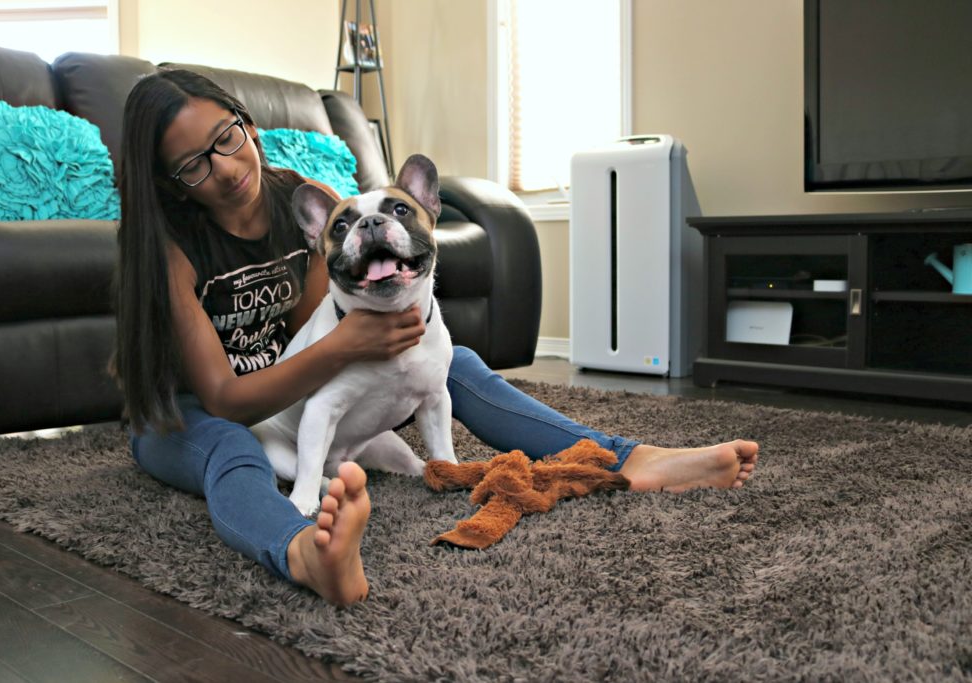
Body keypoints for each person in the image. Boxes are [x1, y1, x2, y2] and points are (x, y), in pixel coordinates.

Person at [112, 69, 759, 607]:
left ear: (246, 125)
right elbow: (230, 394)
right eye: (194, 164)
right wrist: (348, 346)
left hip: (296, 394)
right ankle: (304, 551)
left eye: (227, 139)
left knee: (450, 361)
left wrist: (384, 344)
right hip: (192, 412)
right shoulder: (165, 246)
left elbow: (327, 331)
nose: (224, 168)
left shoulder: (301, 204)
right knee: (231, 449)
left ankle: (625, 458)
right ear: (171, 181)